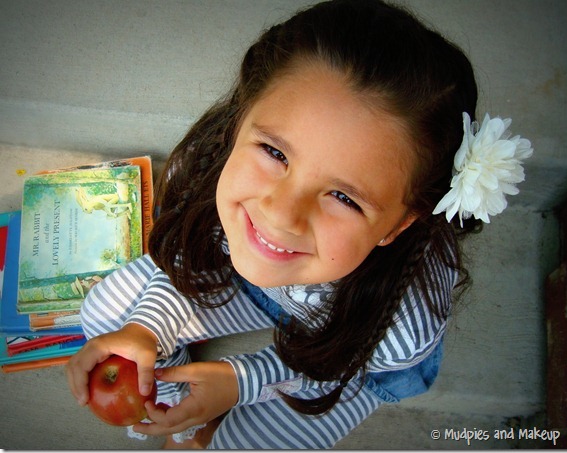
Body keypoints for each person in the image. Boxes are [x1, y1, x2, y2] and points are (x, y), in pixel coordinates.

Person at [66, 0, 532, 448]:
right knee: (107, 315)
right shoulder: (207, 170)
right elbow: (191, 259)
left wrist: (240, 380)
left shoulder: (401, 323)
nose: (280, 214)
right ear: (241, 119)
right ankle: (180, 405)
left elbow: (338, 366)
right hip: (244, 284)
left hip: (348, 344)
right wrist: (145, 331)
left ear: (397, 226)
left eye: (344, 198)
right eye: (275, 152)